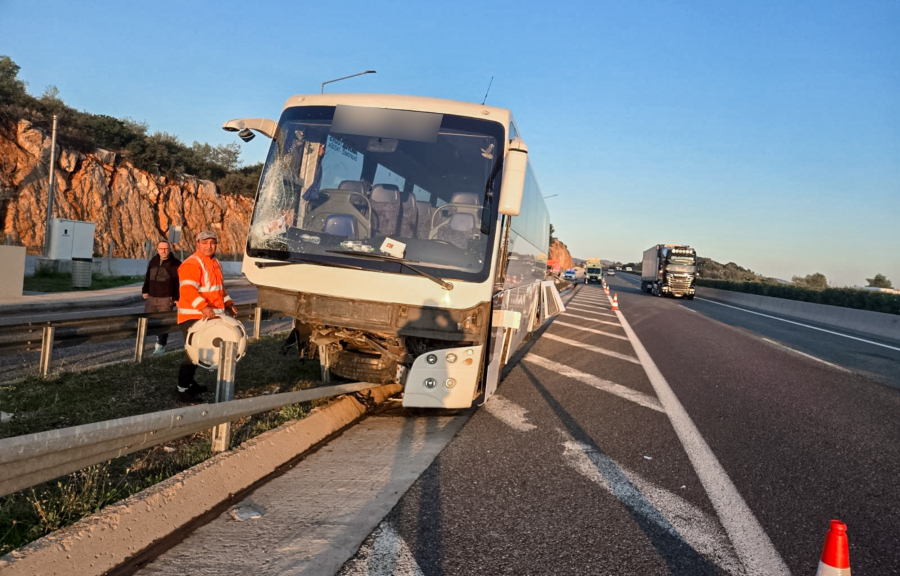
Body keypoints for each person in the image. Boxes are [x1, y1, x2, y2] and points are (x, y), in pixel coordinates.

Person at [175, 230, 238, 397]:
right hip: (193, 316)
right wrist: (203, 307)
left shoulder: (215, 262)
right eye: (204, 243)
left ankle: (189, 383)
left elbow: (218, 290)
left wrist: (228, 303)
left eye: (212, 243)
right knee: (193, 353)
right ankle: (182, 388)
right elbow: (188, 291)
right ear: (197, 244)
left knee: (202, 352)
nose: (208, 246)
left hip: (209, 316)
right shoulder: (192, 264)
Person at [141, 240, 181, 355]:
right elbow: (148, 276)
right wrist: (145, 290)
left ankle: (160, 346)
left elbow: (178, 282)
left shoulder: (176, 263)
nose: (163, 251)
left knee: (163, 322)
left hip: (166, 298)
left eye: (166, 249)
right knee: (147, 322)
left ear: (170, 249)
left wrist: (177, 298)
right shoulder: (153, 261)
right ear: (157, 249)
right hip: (152, 297)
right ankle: (145, 343)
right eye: (161, 249)